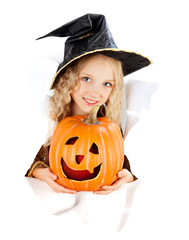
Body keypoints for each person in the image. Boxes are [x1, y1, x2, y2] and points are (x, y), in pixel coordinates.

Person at [25, 13, 152, 195]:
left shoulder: (110, 119)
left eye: (107, 84)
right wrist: (38, 172)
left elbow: (116, 157)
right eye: (86, 79)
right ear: (68, 79)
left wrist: (128, 176)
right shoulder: (46, 112)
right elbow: (24, 155)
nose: (95, 93)